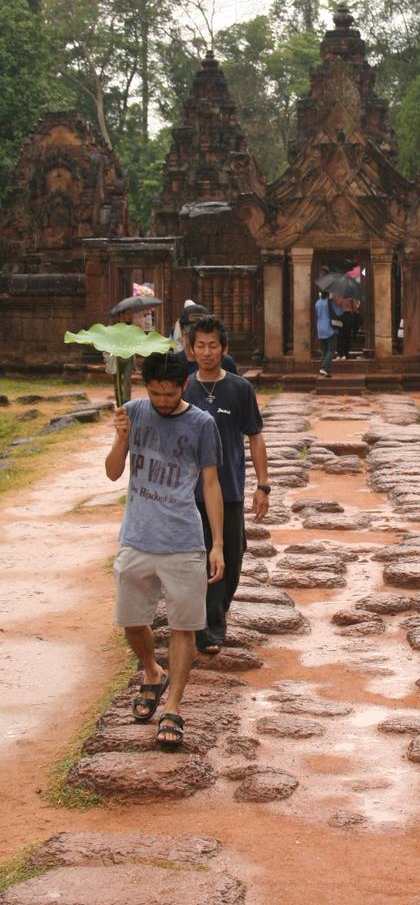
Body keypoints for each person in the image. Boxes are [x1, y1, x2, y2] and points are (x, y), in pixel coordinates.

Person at [105, 351, 224, 748]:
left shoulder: (202, 424)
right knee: (131, 621)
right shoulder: (134, 411)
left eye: (169, 394)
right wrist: (122, 435)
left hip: (183, 541)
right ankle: (152, 671)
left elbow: (210, 484)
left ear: (183, 386)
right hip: (136, 536)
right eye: (155, 393)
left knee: (183, 626)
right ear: (146, 387)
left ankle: (173, 705)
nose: (161, 401)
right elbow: (112, 471)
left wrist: (217, 543)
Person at [183, 316, 269, 654]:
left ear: (224, 348)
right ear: (191, 349)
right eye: (200, 345)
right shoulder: (184, 389)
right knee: (202, 557)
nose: (206, 352)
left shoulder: (239, 388)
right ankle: (209, 629)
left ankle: (218, 611)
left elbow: (256, 437)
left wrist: (264, 485)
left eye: (212, 345)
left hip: (230, 487)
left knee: (232, 558)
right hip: (190, 492)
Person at [176, 303, 238, 374]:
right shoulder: (174, 364)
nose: (196, 333)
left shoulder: (224, 361)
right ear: (182, 329)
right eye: (191, 329)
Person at [315, 289, 338, 377]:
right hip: (330, 328)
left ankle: (327, 370)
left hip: (320, 328)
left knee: (324, 351)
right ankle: (324, 368)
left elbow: (317, 314)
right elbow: (338, 312)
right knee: (331, 350)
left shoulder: (317, 303)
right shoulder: (331, 302)